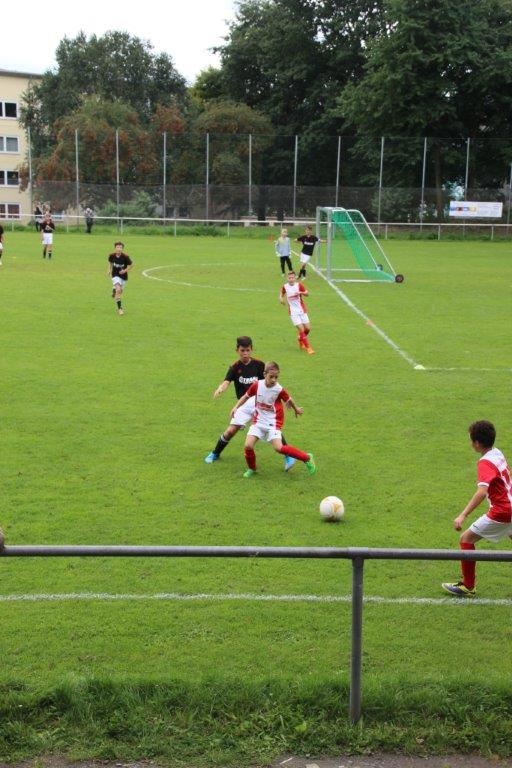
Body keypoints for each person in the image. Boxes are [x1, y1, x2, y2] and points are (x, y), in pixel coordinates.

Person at [442, 420, 512, 597]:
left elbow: (481, 492)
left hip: (502, 512)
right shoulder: (497, 453)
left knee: (466, 539)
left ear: (477, 443)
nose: (470, 443)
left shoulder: (485, 463)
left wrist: (462, 515)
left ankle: (468, 586)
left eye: (471, 440)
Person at [205, 336, 296, 471]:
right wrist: (220, 388)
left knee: (272, 428)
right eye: (242, 350)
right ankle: (215, 453)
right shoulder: (235, 367)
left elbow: (272, 381)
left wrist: (283, 399)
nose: (245, 353)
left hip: (260, 402)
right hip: (244, 404)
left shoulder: (259, 365)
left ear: (251, 349)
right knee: (231, 430)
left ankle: (289, 456)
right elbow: (226, 381)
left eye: (248, 350)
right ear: (237, 350)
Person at [232, 361, 316, 478]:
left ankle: (307, 458)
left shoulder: (278, 389)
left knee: (278, 448)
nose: (274, 380)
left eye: (276, 377)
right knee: (248, 446)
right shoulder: (257, 385)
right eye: (271, 377)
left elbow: (289, 399)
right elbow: (245, 397)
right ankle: (252, 468)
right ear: (264, 374)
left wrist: (296, 409)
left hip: (273, 422)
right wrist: (236, 407)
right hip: (258, 421)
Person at [280, 270, 314, 354]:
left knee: (308, 328)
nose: (291, 279)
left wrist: (300, 292)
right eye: (289, 278)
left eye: (292, 277)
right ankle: (308, 348)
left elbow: (307, 293)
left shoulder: (299, 285)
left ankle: (300, 338)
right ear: (287, 278)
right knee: (301, 329)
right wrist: (281, 299)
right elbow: (281, 293)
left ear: (295, 278)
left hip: (302, 310)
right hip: (293, 312)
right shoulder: (285, 286)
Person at [108, 241, 133, 316]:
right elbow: (110, 263)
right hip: (115, 275)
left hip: (123, 276)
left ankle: (114, 289)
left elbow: (131, 265)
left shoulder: (125, 257)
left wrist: (124, 271)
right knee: (118, 290)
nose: (119, 249)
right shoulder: (111, 255)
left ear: (122, 249)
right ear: (115, 248)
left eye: (120, 247)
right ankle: (120, 309)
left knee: (119, 292)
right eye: (117, 247)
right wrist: (109, 270)